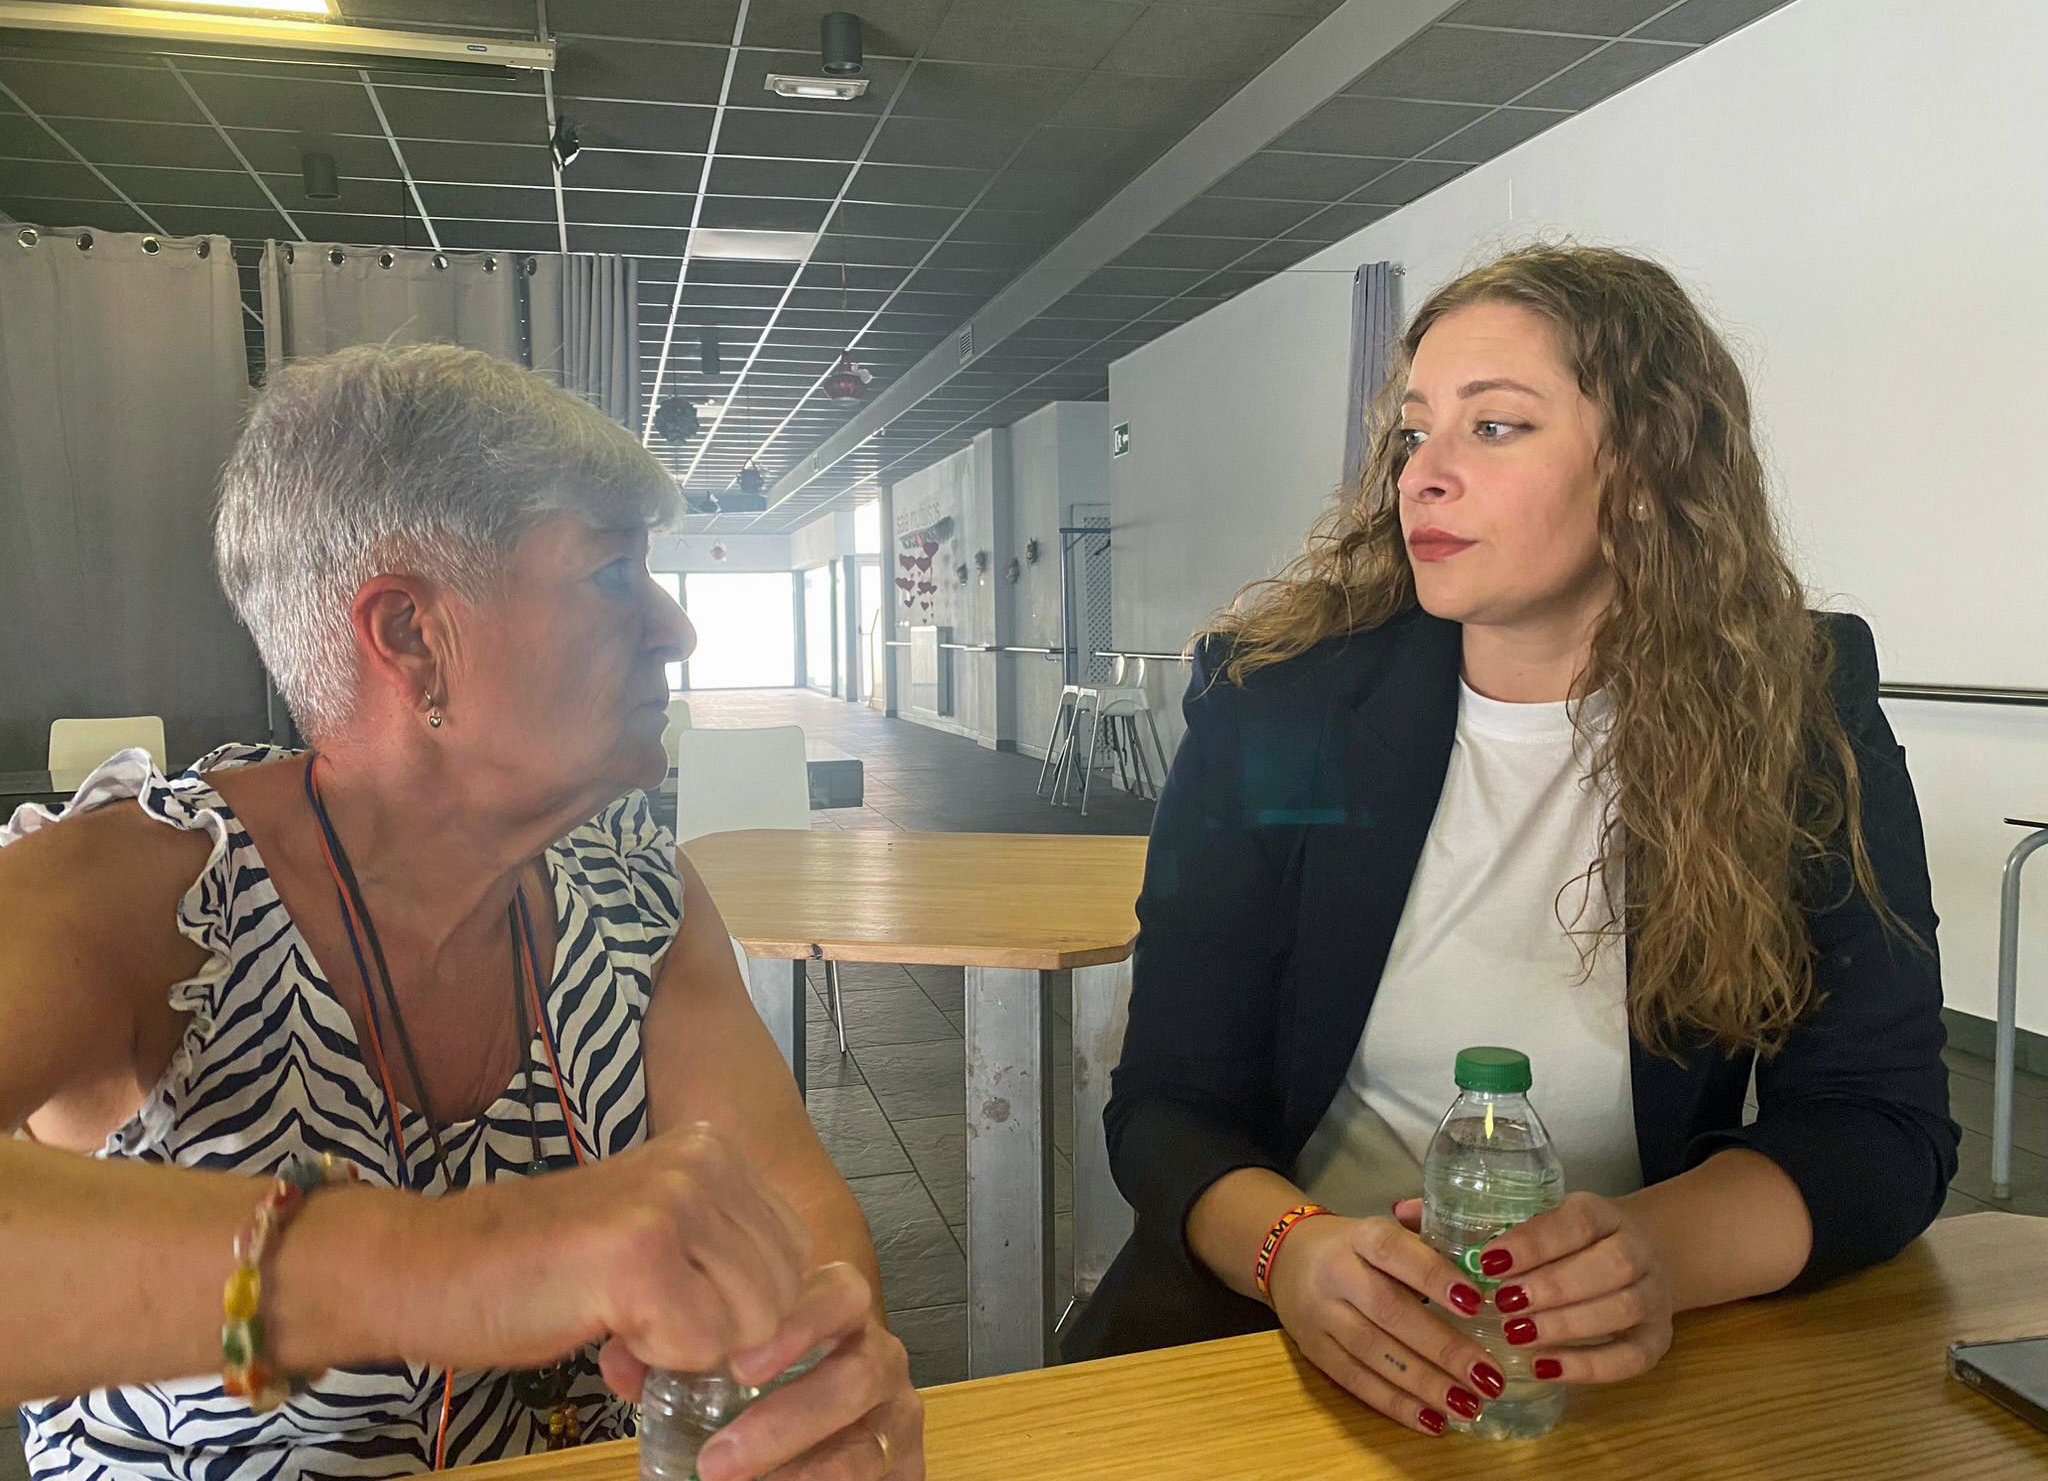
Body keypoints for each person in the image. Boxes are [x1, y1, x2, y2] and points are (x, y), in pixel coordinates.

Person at [1062, 245, 1957, 1438]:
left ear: (1645, 467)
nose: (1421, 477)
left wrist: (1655, 1254)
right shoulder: (1280, 702)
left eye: (1492, 429)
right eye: (1411, 434)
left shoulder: (1793, 708)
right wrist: (1293, 1256)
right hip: (1266, 1342)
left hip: (1599, 1373)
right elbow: (1166, 1100)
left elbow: (1877, 1119)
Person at [0, 344, 924, 1479]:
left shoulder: (634, 891)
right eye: (612, 573)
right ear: (409, 638)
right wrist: (450, 1263)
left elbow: (791, 1216)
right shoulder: (140, 894)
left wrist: (811, 1384)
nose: (675, 630)